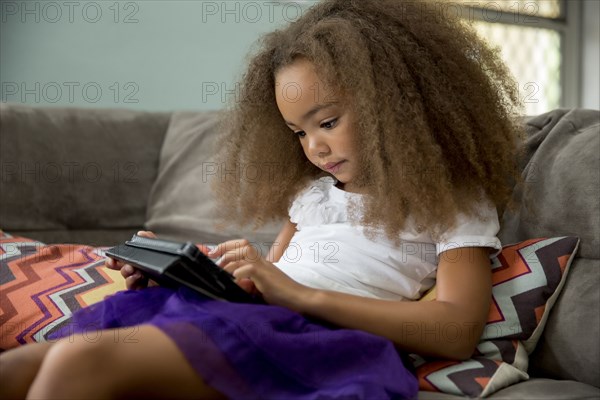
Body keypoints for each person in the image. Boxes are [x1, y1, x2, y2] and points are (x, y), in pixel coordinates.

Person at [0, 0, 523, 398]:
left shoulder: (448, 198)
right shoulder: (310, 198)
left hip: (314, 341)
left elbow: (455, 330)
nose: (314, 146)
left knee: (77, 365)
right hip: (252, 320)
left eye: (329, 121)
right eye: (298, 132)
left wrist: (298, 296)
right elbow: (265, 284)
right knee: (18, 368)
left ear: (396, 105)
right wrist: (189, 275)